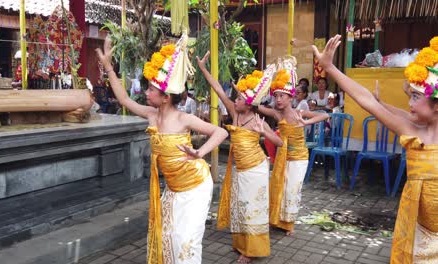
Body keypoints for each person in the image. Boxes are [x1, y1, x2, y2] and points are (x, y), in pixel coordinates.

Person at [96, 33, 228, 264]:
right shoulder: (151, 114)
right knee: (169, 237)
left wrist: (200, 152)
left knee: (186, 242)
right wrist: (108, 68)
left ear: (166, 97)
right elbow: (125, 100)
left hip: (196, 185)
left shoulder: (183, 118)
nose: (146, 93)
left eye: (151, 90)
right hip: (174, 188)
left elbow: (221, 132)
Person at [312, 35, 438, 263]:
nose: (409, 103)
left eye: (416, 96)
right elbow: (365, 100)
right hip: (417, 234)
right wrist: (329, 68)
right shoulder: (411, 132)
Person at [197, 51, 283, 263]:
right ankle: (241, 244)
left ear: (250, 103)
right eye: (236, 98)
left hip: (256, 169)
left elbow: (280, 143)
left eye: (239, 98)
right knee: (240, 207)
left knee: (252, 209)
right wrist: (203, 68)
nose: (235, 100)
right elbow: (217, 88)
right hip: (240, 170)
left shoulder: (257, 120)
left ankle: (251, 251)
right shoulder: (234, 114)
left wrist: (265, 133)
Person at [258, 58, 329, 236]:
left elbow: (324, 116)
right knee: (279, 185)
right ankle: (276, 218)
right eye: (276, 96)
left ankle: (289, 223)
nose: (278, 99)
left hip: (299, 157)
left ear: (291, 97)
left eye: (282, 96)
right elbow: (256, 106)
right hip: (283, 154)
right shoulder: (275, 113)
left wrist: (305, 122)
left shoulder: (299, 112)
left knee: (293, 189)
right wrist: (256, 88)